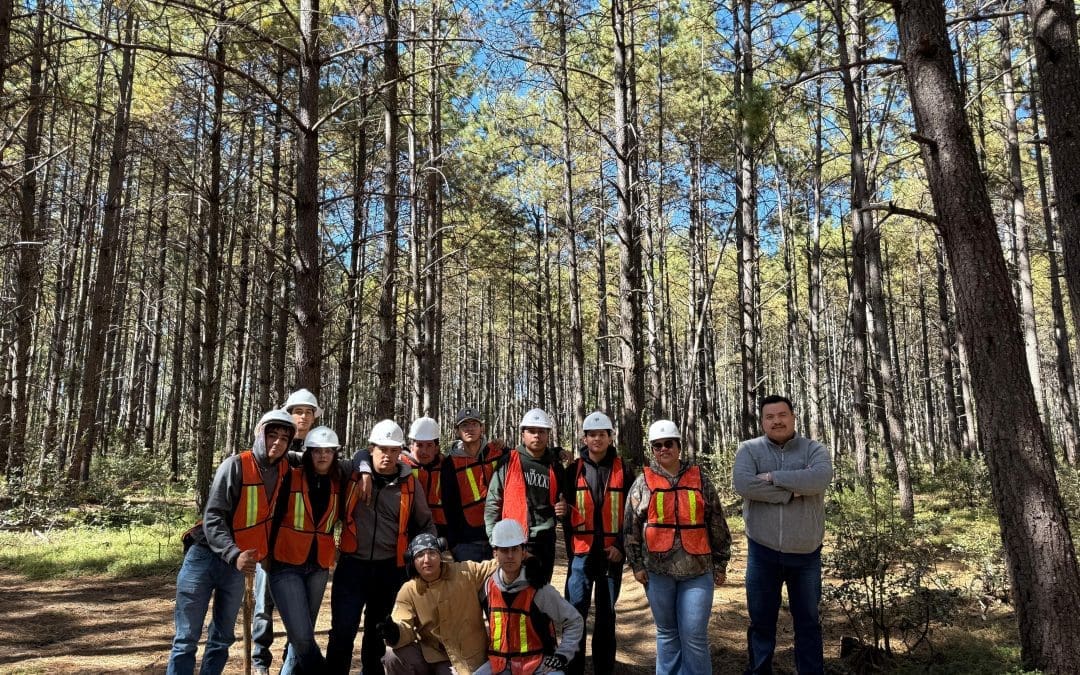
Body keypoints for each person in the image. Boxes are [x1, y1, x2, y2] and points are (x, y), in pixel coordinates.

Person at [167, 410, 295, 675]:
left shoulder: (285, 469)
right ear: (260, 433)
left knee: (222, 637)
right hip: (205, 557)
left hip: (240, 566)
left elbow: (320, 458)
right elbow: (213, 517)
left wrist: (363, 464)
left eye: (284, 438)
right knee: (187, 638)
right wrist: (233, 552)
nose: (277, 443)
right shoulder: (235, 465)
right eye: (272, 435)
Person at [326, 419, 436, 675]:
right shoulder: (351, 475)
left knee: (377, 635)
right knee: (342, 631)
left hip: (390, 569)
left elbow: (425, 522)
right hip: (352, 565)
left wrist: (428, 553)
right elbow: (339, 458)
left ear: (400, 452)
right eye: (382, 449)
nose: (387, 456)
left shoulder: (409, 483)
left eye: (393, 450)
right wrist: (363, 468)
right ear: (371, 449)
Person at [732, 395, 833, 675]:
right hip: (762, 552)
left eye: (782, 415)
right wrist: (794, 490)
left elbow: (821, 478)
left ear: (792, 416)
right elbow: (744, 484)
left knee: (808, 623)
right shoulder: (749, 450)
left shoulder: (814, 449)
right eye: (770, 416)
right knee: (761, 623)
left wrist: (772, 477)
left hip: (806, 553)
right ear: (762, 421)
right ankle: (760, 671)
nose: (777, 421)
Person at [624, 419, 732, 675]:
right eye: (657, 445)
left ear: (679, 446)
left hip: (697, 571)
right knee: (667, 634)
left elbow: (716, 521)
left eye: (668, 444)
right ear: (652, 449)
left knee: (694, 637)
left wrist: (720, 563)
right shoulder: (643, 482)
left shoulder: (699, 479)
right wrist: (636, 564)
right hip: (657, 573)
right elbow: (630, 527)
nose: (663, 449)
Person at [252, 387, 323, 675]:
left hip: (304, 545)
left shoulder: (320, 445)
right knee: (263, 604)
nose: (303, 417)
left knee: (299, 614)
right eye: (298, 411)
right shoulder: (275, 444)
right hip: (269, 539)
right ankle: (260, 661)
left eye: (308, 412)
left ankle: (289, 661)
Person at [267, 425, 344, 674]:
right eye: (317, 451)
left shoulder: (338, 483)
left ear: (334, 455)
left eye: (328, 451)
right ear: (308, 453)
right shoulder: (291, 476)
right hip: (286, 563)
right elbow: (273, 517)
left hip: (318, 566)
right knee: (301, 637)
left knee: (301, 636)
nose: (322, 456)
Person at [561, 411, 633, 675]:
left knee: (606, 616)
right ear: (585, 438)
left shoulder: (624, 470)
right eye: (592, 435)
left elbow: (632, 515)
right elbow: (565, 509)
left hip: (611, 555)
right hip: (581, 555)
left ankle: (604, 669)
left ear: (610, 437)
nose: (597, 439)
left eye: (602, 434)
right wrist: (563, 513)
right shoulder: (573, 471)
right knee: (574, 614)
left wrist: (622, 547)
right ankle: (573, 669)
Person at [377, 533, 500, 674]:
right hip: (432, 657)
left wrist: (526, 557)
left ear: (441, 555)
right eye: (420, 555)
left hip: (467, 658)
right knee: (392, 656)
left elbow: (497, 564)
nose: (427, 560)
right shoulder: (408, 590)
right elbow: (404, 625)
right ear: (412, 560)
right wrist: (394, 632)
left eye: (432, 553)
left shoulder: (465, 572)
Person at [476, 519, 583, 675]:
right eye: (505, 550)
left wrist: (562, 655)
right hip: (499, 665)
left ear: (523, 552)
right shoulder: (486, 588)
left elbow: (574, 620)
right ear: (495, 553)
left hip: (537, 664)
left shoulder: (539, 589)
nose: (510, 555)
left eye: (515, 549)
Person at [485, 408, 567, 583]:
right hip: (513, 541)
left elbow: (565, 500)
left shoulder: (555, 465)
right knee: (514, 594)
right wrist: (494, 540)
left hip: (545, 540)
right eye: (531, 431)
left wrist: (564, 509)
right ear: (523, 434)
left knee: (541, 593)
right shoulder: (508, 460)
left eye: (541, 431)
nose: (536, 435)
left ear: (547, 435)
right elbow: (493, 501)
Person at [440, 407, 505, 562]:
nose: (470, 428)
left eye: (474, 424)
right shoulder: (450, 464)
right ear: (457, 431)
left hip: (500, 537)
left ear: (482, 428)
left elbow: (528, 455)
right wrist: (453, 543)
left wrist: (557, 453)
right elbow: (448, 506)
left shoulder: (498, 452)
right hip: (467, 543)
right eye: (464, 425)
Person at [404, 416, 448, 539]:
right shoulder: (399, 464)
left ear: (436, 448)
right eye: (419, 445)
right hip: (407, 528)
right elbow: (367, 454)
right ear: (411, 446)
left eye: (429, 445)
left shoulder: (445, 465)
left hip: (441, 529)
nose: (424, 451)